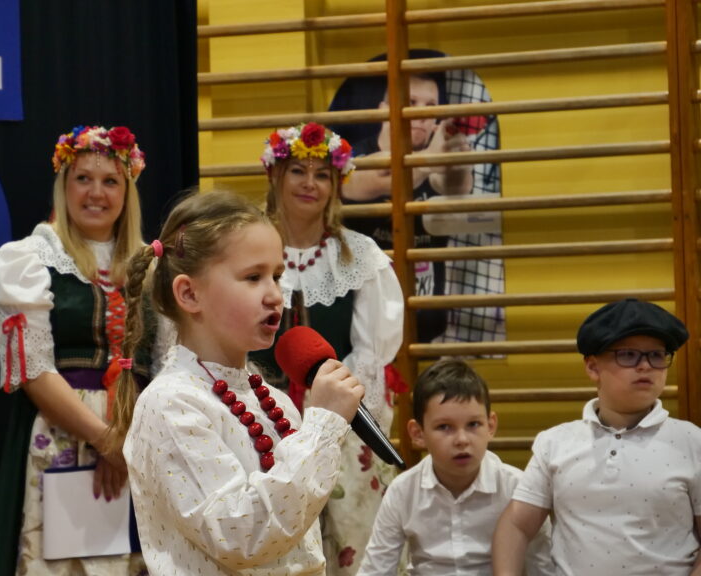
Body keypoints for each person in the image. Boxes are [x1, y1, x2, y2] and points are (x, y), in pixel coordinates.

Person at [119, 190, 366, 574]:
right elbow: (241, 536)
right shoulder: (170, 404)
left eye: (277, 276)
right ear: (189, 293)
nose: (275, 295)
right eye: (253, 277)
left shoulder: (276, 401)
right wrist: (322, 426)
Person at [0, 125, 153, 576]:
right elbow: (33, 371)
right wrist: (106, 441)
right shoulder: (30, 259)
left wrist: (130, 440)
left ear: (127, 191)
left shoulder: (149, 264)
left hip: (140, 437)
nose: (96, 193)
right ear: (64, 185)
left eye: (110, 181)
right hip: (65, 432)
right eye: (83, 179)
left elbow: (168, 363)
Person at [248, 121, 404, 573]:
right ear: (275, 176)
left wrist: (330, 413)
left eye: (322, 175)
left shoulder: (359, 255)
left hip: (342, 420)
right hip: (259, 417)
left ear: (336, 185)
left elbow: (371, 355)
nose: (309, 184)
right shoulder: (245, 249)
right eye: (298, 171)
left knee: (352, 542)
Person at [493, 298, 701, 576]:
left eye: (656, 355)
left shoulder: (692, 442)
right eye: (628, 355)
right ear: (592, 367)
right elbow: (517, 525)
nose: (645, 366)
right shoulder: (554, 443)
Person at [359, 359, 554, 575]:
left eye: (473, 424)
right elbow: (375, 570)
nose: (462, 440)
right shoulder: (403, 491)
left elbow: (542, 568)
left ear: (490, 426)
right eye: (444, 427)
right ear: (418, 433)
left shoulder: (518, 489)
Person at [337, 71, 472, 343]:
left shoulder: (439, 162)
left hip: (425, 322)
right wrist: (431, 158)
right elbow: (377, 177)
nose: (420, 114)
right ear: (383, 109)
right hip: (365, 324)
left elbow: (455, 185)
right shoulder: (356, 157)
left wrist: (458, 160)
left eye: (431, 106)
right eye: (411, 102)